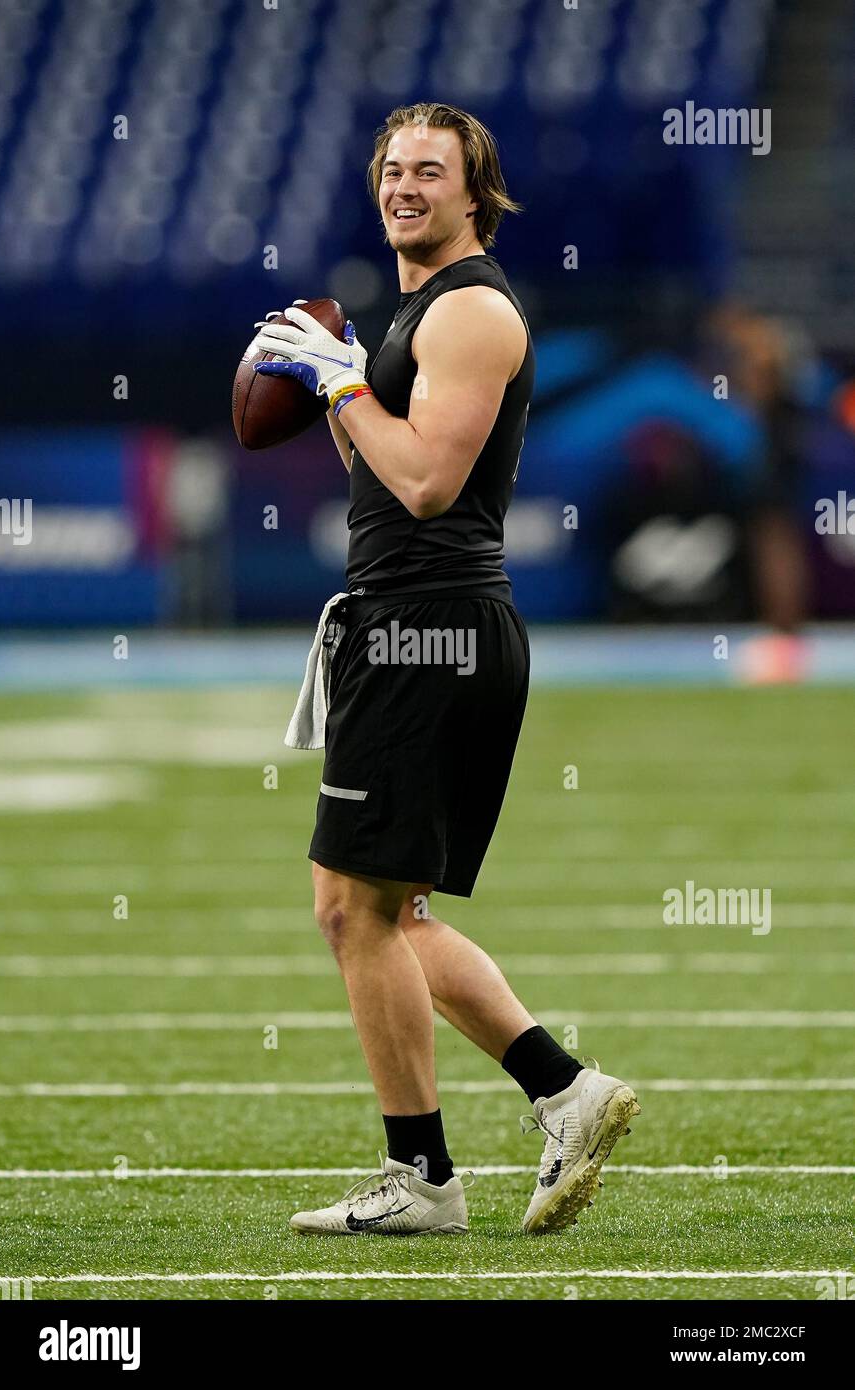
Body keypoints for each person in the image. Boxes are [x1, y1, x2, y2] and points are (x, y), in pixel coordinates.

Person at [252, 102, 639, 1236]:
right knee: (377, 906)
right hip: (408, 621)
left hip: (430, 625)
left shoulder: (469, 307)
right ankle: (558, 1094)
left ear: (478, 194)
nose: (404, 185)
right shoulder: (423, 307)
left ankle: (433, 1170)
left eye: (431, 170)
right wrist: (334, 380)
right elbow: (382, 469)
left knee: (353, 910)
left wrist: (340, 384)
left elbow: (424, 485)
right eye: (390, 168)